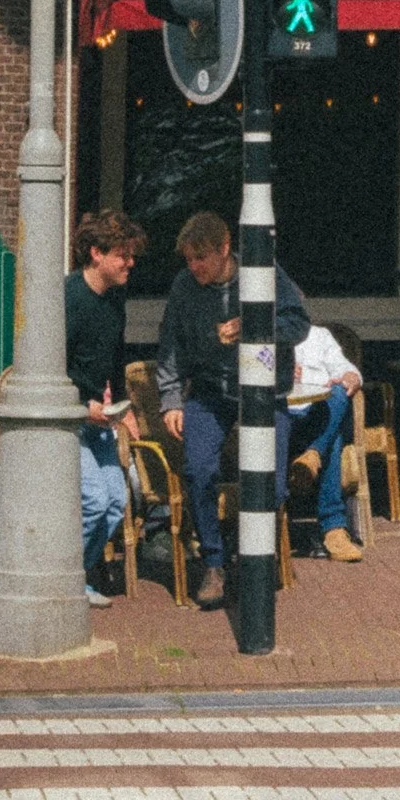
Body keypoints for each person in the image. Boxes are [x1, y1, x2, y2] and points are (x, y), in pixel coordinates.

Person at [156, 212, 311, 604]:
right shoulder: (184, 286)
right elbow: (170, 342)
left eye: (202, 258)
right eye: (188, 259)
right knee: (198, 469)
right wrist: (171, 399)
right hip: (210, 390)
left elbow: (299, 324)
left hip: (262, 390)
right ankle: (213, 560)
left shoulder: (263, 273)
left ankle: (248, 555)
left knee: (272, 484)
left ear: (225, 249)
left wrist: (254, 325)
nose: (194, 267)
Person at [64, 207, 142, 604]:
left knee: (116, 500)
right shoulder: (68, 298)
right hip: (70, 420)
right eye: (122, 255)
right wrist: (83, 406)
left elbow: (113, 359)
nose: (130, 263)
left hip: (99, 419)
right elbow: (52, 366)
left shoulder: (116, 298)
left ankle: (78, 575)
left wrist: (124, 408)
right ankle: (65, 579)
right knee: (94, 498)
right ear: (97, 253)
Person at [286, 318, 366, 563]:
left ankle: (312, 454)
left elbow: (345, 368)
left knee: (341, 393)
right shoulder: (258, 337)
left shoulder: (318, 336)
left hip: (316, 415)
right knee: (333, 437)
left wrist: (352, 376)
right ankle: (333, 528)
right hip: (280, 419)